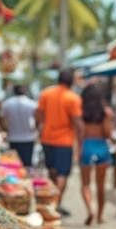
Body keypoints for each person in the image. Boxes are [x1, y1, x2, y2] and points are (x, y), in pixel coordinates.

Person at [36, 69, 83, 216]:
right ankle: (56, 203)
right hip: (64, 140)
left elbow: (38, 114)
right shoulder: (73, 98)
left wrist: (41, 126)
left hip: (47, 137)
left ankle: (51, 202)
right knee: (63, 173)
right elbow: (77, 121)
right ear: (71, 82)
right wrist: (80, 141)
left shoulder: (46, 94)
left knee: (52, 171)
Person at [78, 83, 114, 225]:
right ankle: (100, 216)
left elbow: (79, 133)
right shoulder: (106, 112)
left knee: (85, 184)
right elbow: (107, 132)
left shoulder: (80, 112)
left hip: (86, 147)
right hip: (101, 148)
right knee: (101, 186)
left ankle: (89, 210)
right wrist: (114, 139)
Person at [1, 84, 38, 167]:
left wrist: (5, 129)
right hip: (28, 137)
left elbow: (1, 118)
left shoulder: (7, 103)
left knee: (14, 164)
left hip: (13, 137)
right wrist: (35, 129)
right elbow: (38, 118)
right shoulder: (32, 103)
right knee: (27, 164)